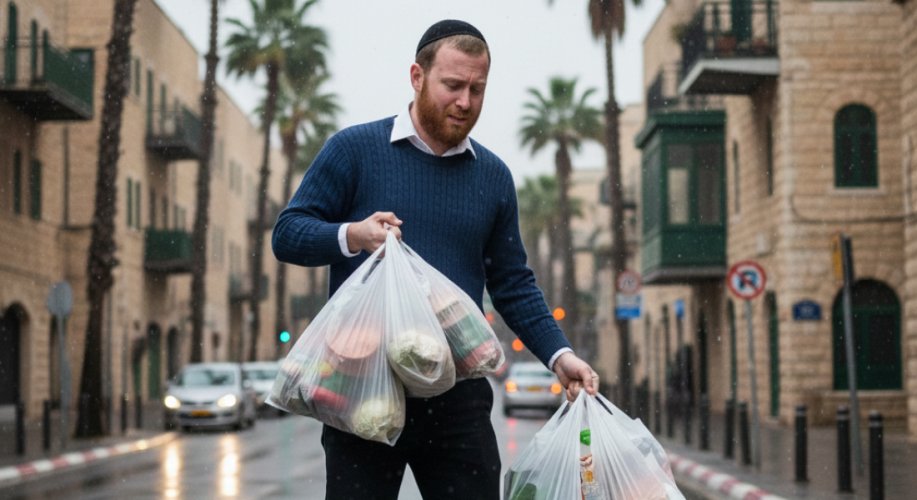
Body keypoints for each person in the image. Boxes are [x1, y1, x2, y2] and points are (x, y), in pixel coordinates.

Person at [272, 19, 600, 500]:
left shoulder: (492, 176)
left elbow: (512, 282)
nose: (465, 101)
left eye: (477, 89)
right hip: (362, 389)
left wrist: (559, 354)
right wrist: (353, 234)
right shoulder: (354, 151)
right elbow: (288, 234)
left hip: (458, 399)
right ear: (417, 76)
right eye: (453, 85)